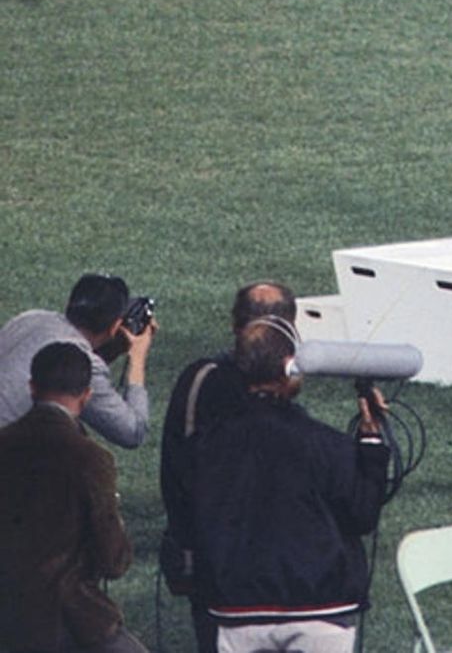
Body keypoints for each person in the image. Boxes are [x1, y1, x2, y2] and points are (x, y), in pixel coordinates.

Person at [191, 319, 389, 653]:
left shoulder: (207, 444)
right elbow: (362, 515)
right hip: (320, 609)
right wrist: (371, 441)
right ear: (290, 367)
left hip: (237, 607)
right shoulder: (325, 444)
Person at [160, 281, 298, 653]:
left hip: (214, 556)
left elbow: (177, 471)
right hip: (250, 561)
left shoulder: (200, 378)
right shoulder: (271, 397)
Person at [0, 343, 147, 653]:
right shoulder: (90, 458)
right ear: (86, 395)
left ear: (32, 387)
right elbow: (113, 560)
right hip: (67, 618)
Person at [0, 273, 153, 448]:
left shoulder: (30, 318)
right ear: (115, 327)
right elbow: (132, 433)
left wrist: (112, 350)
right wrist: (138, 358)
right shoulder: (86, 363)